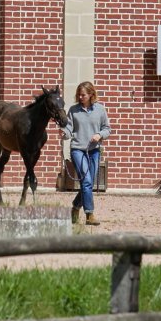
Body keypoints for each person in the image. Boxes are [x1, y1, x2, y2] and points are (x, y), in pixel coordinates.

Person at [64, 81, 110, 225]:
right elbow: (68, 129)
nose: (80, 97)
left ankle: (75, 207)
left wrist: (99, 134)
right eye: (78, 94)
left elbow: (107, 129)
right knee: (86, 181)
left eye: (83, 95)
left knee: (87, 183)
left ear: (91, 94)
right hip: (78, 149)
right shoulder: (73, 110)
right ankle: (89, 214)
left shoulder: (100, 109)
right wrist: (64, 133)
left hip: (94, 150)